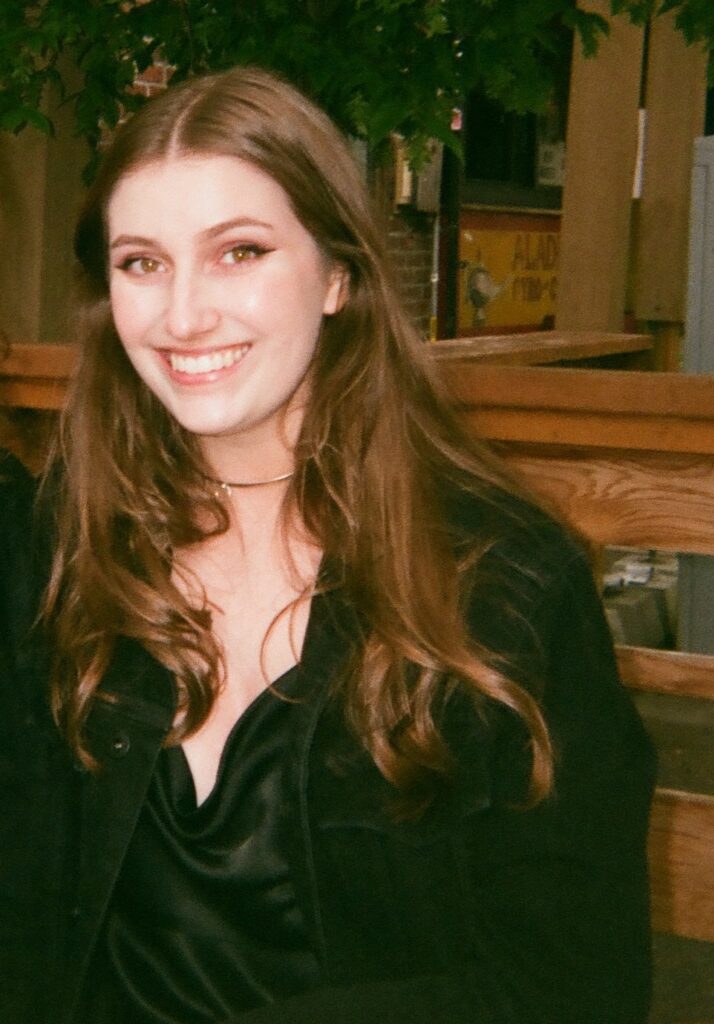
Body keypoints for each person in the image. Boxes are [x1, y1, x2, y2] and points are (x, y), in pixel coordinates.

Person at [0, 67, 655, 1024]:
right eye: (142, 262)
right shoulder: (65, 547)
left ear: (340, 273)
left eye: (240, 252)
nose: (183, 315)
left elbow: (572, 984)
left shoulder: (501, 579)